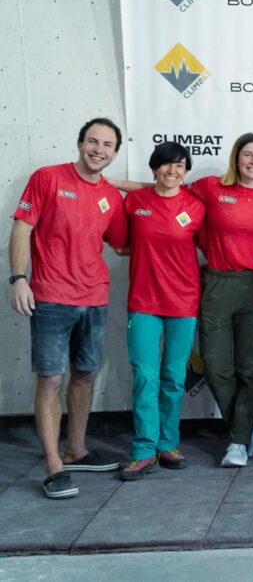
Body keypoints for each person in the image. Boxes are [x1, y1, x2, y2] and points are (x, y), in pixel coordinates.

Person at [9, 118, 128, 499]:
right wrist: (18, 278)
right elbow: (22, 226)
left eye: (107, 145)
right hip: (50, 297)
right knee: (51, 379)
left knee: (85, 375)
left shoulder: (112, 195)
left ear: (115, 153)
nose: (99, 149)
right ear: (79, 144)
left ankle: (76, 449)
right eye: (92, 141)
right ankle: (53, 465)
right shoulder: (47, 178)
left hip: (95, 298)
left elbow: (123, 244)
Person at [117, 142, 206, 480]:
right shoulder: (134, 202)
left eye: (181, 166)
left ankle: (168, 443)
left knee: (173, 377)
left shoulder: (197, 207)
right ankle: (143, 449)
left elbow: (211, 246)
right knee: (145, 376)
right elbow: (122, 244)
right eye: (167, 165)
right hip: (143, 301)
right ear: (154, 167)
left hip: (184, 301)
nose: (173, 171)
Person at [190, 134, 253, 467]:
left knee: (250, 367)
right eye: (248, 155)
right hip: (216, 283)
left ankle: (238, 443)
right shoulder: (210, 186)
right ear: (236, 158)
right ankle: (246, 424)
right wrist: (112, 182)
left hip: (252, 286)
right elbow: (166, 192)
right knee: (214, 366)